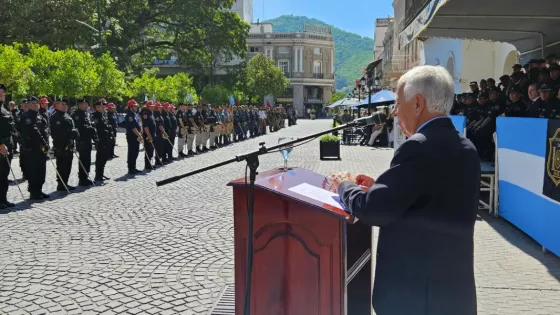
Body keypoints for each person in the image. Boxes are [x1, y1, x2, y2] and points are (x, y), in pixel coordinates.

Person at [330, 65, 479, 315]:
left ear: (418, 104)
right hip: (452, 293)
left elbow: (375, 210)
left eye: (398, 103)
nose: (395, 112)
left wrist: (344, 185)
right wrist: (380, 185)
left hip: (416, 297)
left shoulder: (419, 147)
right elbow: (431, 195)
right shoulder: (465, 147)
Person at [20, 96, 50, 200]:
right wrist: (43, 142)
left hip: (41, 148)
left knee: (41, 170)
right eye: (32, 103)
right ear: (27, 105)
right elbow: (33, 131)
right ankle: (33, 192)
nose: (35, 105)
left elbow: (45, 131)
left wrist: (46, 143)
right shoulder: (27, 116)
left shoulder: (40, 116)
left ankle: (39, 190)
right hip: (31, 148)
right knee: (32, 171)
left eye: (36, 103)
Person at [50, 98, 79, 191]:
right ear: (56, 105)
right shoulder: (55, 116)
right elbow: (56, 133)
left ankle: (65, 182)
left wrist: (74, 133)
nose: (65, 106)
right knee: (62, 166)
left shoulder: (66, 115)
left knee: (68, 165)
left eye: (65, 104)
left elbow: (71, 127)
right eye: (62, 104)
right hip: (61, 145)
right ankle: (61, 184)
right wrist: (69, 133)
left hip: (69, 144)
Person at [72, 98, 97, 186]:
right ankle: (82, 179)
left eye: (86, 104)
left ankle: (85, 176)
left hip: (88, 140)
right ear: (79, 105)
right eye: (83, 104)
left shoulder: (87, 114)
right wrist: (90, 129)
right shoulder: (76, 115)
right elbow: (80, 128)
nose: (86, 106)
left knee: (88, 160)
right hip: (81, 141)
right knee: (83, 160)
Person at [0, 84, 15, 208]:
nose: (2, 94)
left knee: (4, 174)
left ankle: (3, 199)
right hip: (1, 145)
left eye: (3, 91)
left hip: (8, 144)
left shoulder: (4, 108)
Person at [91, 101, 113, 181]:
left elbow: (108, 126)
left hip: (106, 139)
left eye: (103, 106)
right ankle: (98, 175)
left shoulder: (104, 115)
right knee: (100, 157)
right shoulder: (94, 116)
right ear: (96, 107)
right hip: (100, 140)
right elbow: (95, 129)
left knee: (105, 157)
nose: (102, 107)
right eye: (100, 106)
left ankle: (101, 173)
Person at [124, 99, 143, 175]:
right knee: (132, 152)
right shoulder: (129, 115)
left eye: (136, 106)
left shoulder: (134, 114)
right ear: (130, 107)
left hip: (136, 136)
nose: (136, 107)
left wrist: (139, 133)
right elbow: (133, 127)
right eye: (135, 106)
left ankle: (134, 167)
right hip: (132, 136)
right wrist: (139, 135)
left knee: (136, 152)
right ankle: (130, 168)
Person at [140, 101, 157, 170]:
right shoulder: (145, 114)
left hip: (152, 134)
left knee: (151, 149)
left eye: (153, 106)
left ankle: (150, 163)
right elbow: (146, 126)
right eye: (151, 106)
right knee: (148, 149)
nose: (152, 107)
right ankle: (147, 165)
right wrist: (149, 135)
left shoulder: (151, 113)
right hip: (147, 135)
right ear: (147, 107)